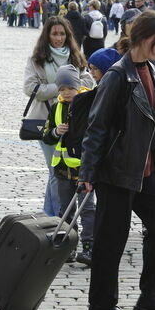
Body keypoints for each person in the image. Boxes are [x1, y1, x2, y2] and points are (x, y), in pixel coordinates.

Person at [79, 11, 155, 310]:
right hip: (117, 170)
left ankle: (150, 297)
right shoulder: (118, 75)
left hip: (144, 170)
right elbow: (96, 126)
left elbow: (148, 114)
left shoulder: (151, 71)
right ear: (143, 37)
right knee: (111, 239)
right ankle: (101, 306)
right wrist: (87, 173)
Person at [24, 16, 94, 219]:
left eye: (62, 33)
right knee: (55, 171)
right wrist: (61, 89)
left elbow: (88, 80)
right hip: (48, 119)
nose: (58, 38)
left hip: (75, 122)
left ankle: (51, 213)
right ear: (47, 35)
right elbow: (29, 87)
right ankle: (58, 216)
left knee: (59, 172)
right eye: (54, 33)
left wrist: (76, 89)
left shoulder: (75, 55)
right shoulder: (37, 58)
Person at [41, 64, 95, 265]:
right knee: (65, 210)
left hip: (82, 167)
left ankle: (89, 246)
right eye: (61, 89)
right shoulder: (56, 107)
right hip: (62, 168)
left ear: (78, 86)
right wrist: (56, 132)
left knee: (87, 208)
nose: (65, 93)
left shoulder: (87, 104)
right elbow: (46, 135)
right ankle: (69, 245)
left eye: (69, 88)